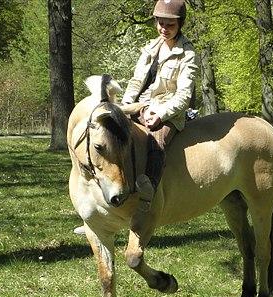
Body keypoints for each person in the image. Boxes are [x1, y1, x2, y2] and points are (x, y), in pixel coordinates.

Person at [75, 0, 197, 235]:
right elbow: (135, 81)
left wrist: (160, 114)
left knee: (156, 141)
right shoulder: (151, 47)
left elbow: (184, 95)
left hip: (168, 110)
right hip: (140, 105)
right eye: (160, 23)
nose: (164, 28)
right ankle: (97, 210)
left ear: (180, 24)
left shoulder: (188, 53)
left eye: (170, 24)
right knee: (108, 136)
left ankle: (147, 196)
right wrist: (125, 106)